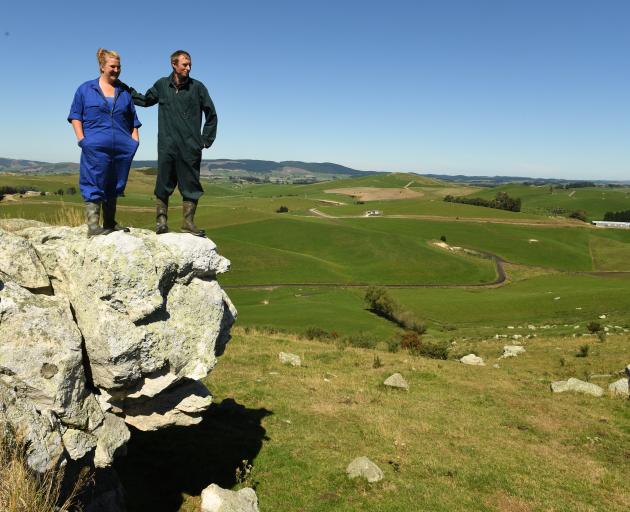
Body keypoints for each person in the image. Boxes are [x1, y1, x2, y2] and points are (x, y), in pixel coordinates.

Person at [128, 50, 217, 236]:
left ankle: (188, 223)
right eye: (185, 64)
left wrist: (205, 140)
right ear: (174, 65)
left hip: (190, 147)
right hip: (167, 145)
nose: (188, 68)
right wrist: (125, 91)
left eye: (190, 64)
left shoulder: (198, 88)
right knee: (163, 183)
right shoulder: (162, 85)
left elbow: (211, 114)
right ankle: (161, 223)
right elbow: (145, 100)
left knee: (191, 185)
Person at [68, 49, 141, 237]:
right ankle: (93, 227)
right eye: (112, 66)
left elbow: (133, 119)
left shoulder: (124, 91)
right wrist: (82, 140)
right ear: (102, 66)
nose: (116, 70)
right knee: (93, 181)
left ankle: (109, 223)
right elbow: (75, 116)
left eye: (119, 66)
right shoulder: (85, 89)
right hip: (94, 146)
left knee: (115, 183)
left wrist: (134, 141)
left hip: (122, 148)